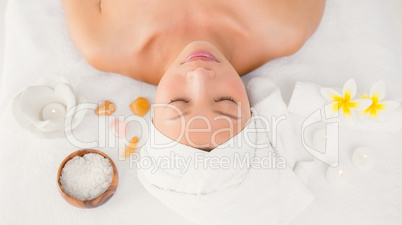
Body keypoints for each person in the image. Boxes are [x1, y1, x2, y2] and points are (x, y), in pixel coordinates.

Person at [61, 0, 326, 151]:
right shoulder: (288, 26)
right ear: (252, 108)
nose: (199, 76)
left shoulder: (103, 43)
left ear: (153, 115)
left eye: (179, 103)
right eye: (224, 101)